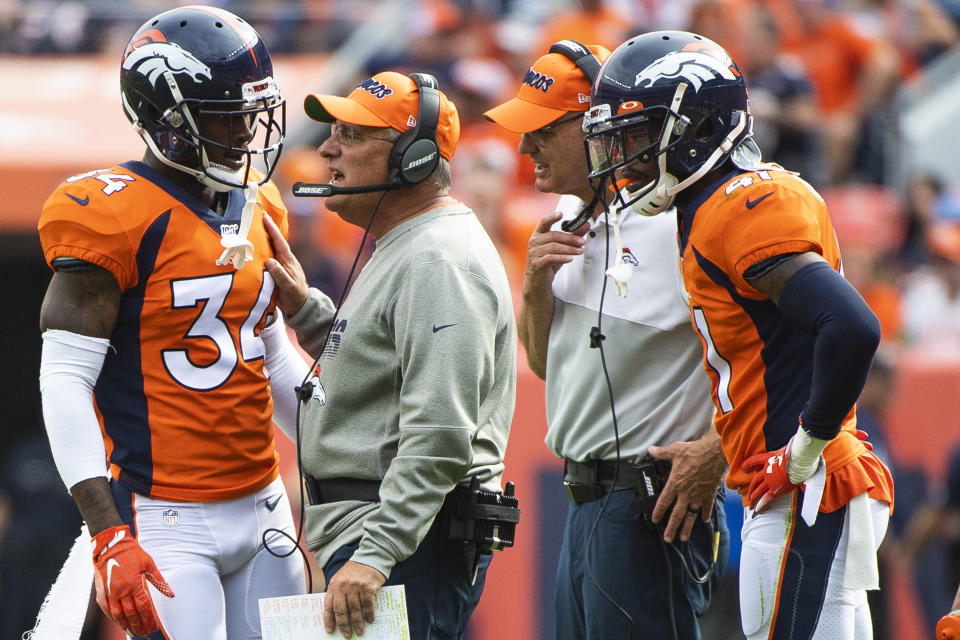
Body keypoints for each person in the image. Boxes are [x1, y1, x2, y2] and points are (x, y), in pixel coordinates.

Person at [582, 30, 893, 640]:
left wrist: (802, 448)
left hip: (804, 485)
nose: (626, 156)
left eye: (639, 136)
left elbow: (852, 326)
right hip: (799, 485)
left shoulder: (740, 204)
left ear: (697, 127)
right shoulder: (709, 205)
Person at [36, 7, 307, 639]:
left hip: (267, 505)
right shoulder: (113, 215)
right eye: (226, 113)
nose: (246, 132)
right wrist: (107, 532)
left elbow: (272, 357)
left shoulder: (259, 202)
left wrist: (348, 459)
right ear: (167, 119)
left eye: (252, 111)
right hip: (168, 520)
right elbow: (63, 382)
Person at [484, 40, 729, 639]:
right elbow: (543, 363)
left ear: (597, 123)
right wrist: (536, 286)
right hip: (585, 500)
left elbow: (789, 354)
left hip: (650, 502)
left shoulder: (687, 216)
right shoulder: (572, 214)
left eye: (541, 129)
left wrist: (718, 451)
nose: (524, 146)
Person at [263, 70, 517, 639]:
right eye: (331, 132)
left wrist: (375, 556)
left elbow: (440, 431)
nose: (327, 147)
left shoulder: (437, 257)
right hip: (384, 535)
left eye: (351, 136)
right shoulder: (410, 243)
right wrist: (306, 310)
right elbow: (384, 367)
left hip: (396, 543)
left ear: (415, 157)